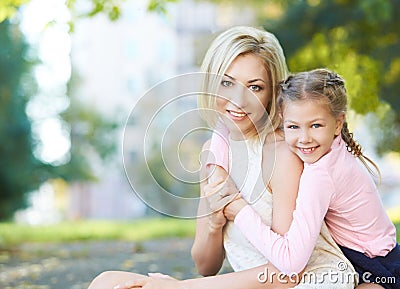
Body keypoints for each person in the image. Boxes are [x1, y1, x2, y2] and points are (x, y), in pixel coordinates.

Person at [87, 26, 356, 289]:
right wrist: (214, 222)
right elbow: (206, 265)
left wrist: (181, 287)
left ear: (273, 93)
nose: (237, 100)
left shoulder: (282, 154)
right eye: (227, 83)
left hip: (312, 280)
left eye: (254, 87)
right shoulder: (216, 151)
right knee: (106, 282)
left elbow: (286, 275)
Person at [220, 68, 400, 288]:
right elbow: (223, 132)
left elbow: (291, 262)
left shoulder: (321, 174)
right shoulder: (332, 151)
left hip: (378, 270)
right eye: (294, 127)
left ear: (337, 123)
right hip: (374, 259)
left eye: (315, 125)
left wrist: (240, 212)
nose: (304, 139)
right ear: (282, 122)